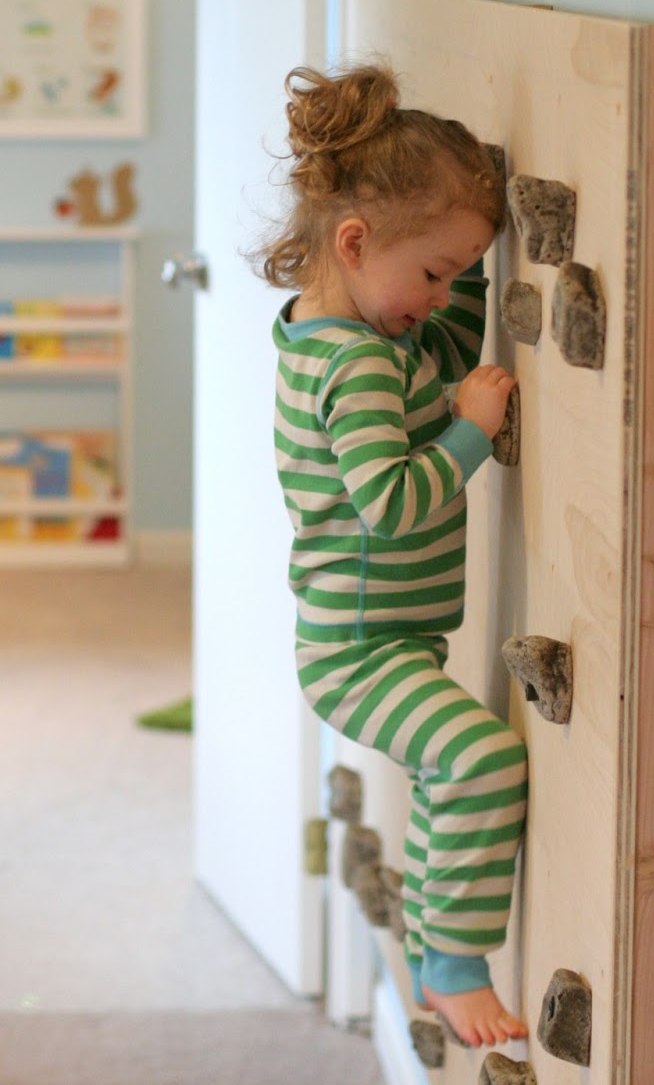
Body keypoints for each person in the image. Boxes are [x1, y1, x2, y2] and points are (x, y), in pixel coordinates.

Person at [261, 60, 528, 1049]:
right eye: (435, 273)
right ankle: (450, 968)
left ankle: (430, 943)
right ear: (355, 239)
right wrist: (471, 427)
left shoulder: (344, 329)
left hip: (380, 638)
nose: (443, 296)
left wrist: (479, 239)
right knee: (481, 760)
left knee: (452, 766)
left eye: (457, 272)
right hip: (355, 652)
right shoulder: (359, 366)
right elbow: (390, 501)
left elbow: (443, 344)